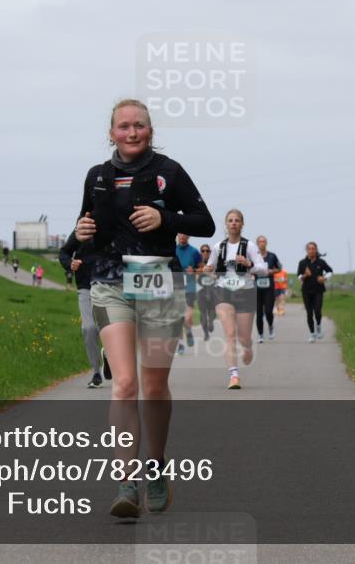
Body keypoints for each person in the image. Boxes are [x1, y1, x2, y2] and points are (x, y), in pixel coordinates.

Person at [74, 98, 214, 518]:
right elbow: (88, 228)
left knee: (153, 387)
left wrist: (164, 218)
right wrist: (80, 231)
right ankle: (126, 482)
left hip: (158, 283)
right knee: (124, 384)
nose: (131, 133)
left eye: (139, 126)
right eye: (123, 126)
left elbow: (203, 222)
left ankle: (155, 466)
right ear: (111, 132)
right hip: (109, 284)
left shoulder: (169, 172)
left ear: (150, 132)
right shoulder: (98, 176)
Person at [204, 209, 267, 390]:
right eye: (230, 220)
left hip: (245, 292)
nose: (233, 223)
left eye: (237, 220)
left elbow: (263, 269)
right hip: (223, 291)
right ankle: (234, 375)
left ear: (242, 224)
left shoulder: (250, 246)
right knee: (230, 334)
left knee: (243, 337)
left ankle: (247, 347)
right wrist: (208, 270)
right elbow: (210, 267)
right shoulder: (218, 247)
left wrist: (249, 264)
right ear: (226, 224)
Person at [59, 231, 111, 388]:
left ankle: (108, 354)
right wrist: (69, 263)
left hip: (108, 286)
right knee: (88, 328)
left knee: (108, 329)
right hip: (85, 287)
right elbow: (64, 252)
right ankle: (96, 373)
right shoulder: (82, 228)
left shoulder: (112, 226)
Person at [297, 242, 333, 343]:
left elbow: (330, 271)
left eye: (313, 248)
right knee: (309, 313)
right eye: (309, 249)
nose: (311, 250)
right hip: (306, 291)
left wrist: (324, 278)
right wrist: (305, 275)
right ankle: (312, 334)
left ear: (316, 250)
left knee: (317, 310)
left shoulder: (321, 262)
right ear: (307, 250)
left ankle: (319, 325)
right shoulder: (302, 263)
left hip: (318, 290)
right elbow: (299, 276)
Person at [174, 233, 203, 355]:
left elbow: (202, 269)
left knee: (188, 317)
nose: (182, 236)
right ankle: (180, 344)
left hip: (190, 287)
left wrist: (194, 270)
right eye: (180, 233)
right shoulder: (172, 249)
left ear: (189, 236)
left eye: (185, 234)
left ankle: (189, 330)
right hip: (175, 287)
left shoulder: (194, 252)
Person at [254, 236, 282, 343]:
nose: (262, 243)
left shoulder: (272, 256)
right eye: (260, 241)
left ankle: (270, 326)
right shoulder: (253, 256)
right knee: (259, 313)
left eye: (264, 241)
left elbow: (279, 268)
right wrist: (252, 273)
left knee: (268, 311)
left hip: (269, 288)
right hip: (256, 288)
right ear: (257, 243)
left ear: (266, 243)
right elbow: (248, 268)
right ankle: (260, 335)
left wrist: (271, 271)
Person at [196, 244, 217, 341]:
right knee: (203, 313)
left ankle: (211, 321)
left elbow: (218, 276)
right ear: (200, 252)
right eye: (203, 251)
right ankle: (206, 333)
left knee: (212, 311)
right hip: (201, 291)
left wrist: (211, 273)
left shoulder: (214, 264)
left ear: (210, 252)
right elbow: (193, 276)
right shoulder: (197, 264)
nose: (205, 252)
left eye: (207, 251)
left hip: (213, 291)